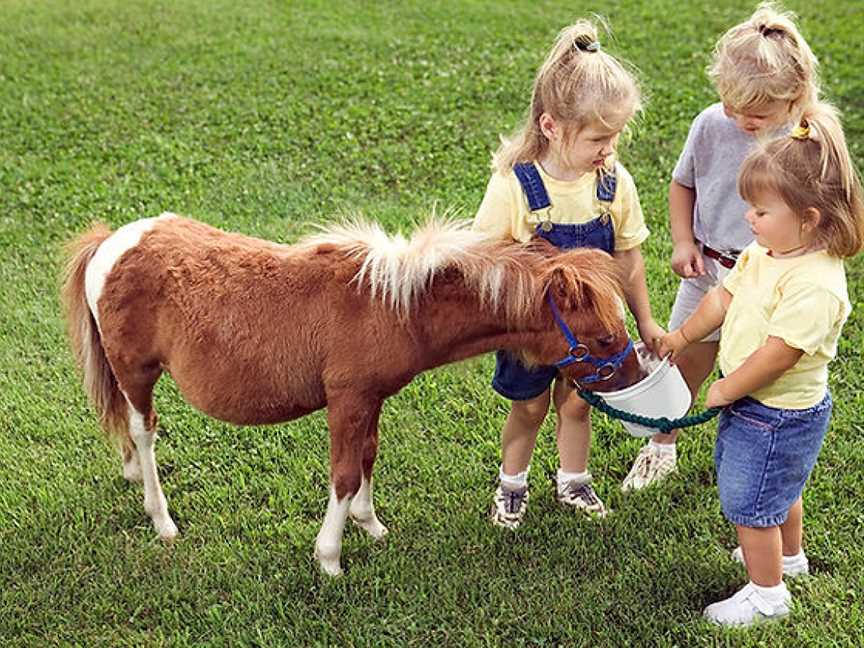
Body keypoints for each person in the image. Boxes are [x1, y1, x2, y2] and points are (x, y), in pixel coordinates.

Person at [659, 103, 864, 626]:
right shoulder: (767, 251)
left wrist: (728, 389)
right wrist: (682, 336)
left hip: (776, 411)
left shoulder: (815, 283)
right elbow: (722, 299)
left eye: (761, 211)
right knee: (780, 491)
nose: (748, 218)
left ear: (809, 218)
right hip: (759, 405)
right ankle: (787, 558)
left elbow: (780, 354)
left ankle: (768, 594)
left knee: (750, 502)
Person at [472, 19, 664, 529]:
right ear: (551, 126)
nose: (610, 149)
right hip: (535, 333)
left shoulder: (613, 183)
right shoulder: (515, 187)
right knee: (530, 407)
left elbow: (629, 258)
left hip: (595, 333)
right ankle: (512, 484)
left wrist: (644, 323)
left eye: (616, 135)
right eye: (599, 138)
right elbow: (486, 264)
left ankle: (573, 481)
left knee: (578, 405)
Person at [623, 2, 821, 490]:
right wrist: (684, 240)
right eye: (730, 105)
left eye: (754, 113)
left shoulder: (805, 144)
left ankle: (753, 454)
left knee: (758, 373)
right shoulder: (712, 123)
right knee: (683, 358)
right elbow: (682, 183)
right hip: (709, 268)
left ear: (793, 96)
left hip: (769, 280)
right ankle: (661, 445)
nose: (738, 119)